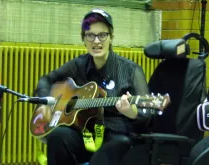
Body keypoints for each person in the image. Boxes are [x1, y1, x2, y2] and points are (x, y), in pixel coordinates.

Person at [34, 8, 151, 165]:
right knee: (58, 136)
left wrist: (131, 112)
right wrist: (45, 104)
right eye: (90, 35)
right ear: (84, 39)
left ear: (111, 37)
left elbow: (148, 114)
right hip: (84, 133)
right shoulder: (79, 64)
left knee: (109, 152)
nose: (96, 41)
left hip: (115, 136)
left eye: (102, 35)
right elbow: (47, 79)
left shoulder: (131, 70)